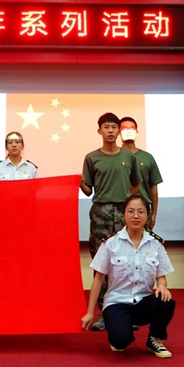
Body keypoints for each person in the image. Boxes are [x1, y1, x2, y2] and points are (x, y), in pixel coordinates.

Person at [81, 194, 176, 358]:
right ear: (123, 215)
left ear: (147, 215)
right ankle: (119, 327)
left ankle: (154, 339)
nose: (136, 216)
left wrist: (162, 286)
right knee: (121, 341)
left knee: (166, 301)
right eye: (131, 211)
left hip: (142, 302)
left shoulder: (155, 244)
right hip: (117, 302)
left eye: (141, 211)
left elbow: (161, 275)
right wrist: (90, 312)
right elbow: (98, 278)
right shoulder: (111, 243)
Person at [80, 112, 142, 331]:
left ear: (118, 131)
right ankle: (104, 314)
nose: (110, 131)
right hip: (100, 212)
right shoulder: (92, 158)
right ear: (100, 131)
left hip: (124, 213)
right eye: (106, 127)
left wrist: (123, 201)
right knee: (102, 263)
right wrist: (78, 182)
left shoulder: (129, 157)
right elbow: (87, 190)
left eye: (114, 127)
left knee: (127, 263)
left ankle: (128, 313)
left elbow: (136, 185)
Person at [119, 116, 163, 231]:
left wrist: (154, 213)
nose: (129, 131)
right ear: (119, 132)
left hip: (143, 209)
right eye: (124, 128)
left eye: (132, 128)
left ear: (137, 132)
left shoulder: (147, 158)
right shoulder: (115, 157)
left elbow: (153, 186)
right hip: (120, 209)